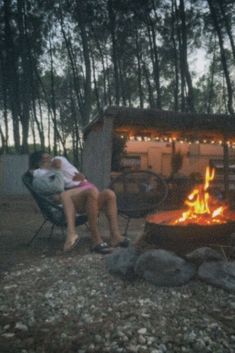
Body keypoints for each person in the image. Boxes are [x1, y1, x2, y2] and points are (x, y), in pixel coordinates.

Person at [29, 151, 129, 253]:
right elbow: (58, 187)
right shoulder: (39, 176)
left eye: (50, 157)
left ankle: (115, 236)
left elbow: (71, 179)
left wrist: (81, 178)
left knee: (109, 194)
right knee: (90, 192)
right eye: (46, 159)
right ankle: (95, 239)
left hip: (73, 201)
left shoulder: (53, 170)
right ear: (39, 163)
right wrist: (57, 170)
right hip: (62, 208)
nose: (51, 160)